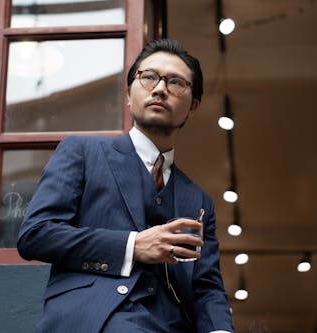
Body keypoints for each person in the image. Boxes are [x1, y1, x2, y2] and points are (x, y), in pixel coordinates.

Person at [17, 38, 233, 333]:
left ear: (192, 106)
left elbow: (206, 288)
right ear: (129, 95)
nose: (159, 89)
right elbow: (36, 235)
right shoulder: (82, 152)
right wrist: (133, 247)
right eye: (148, 77)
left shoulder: (199, 200)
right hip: (93, 320)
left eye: (175, 82)